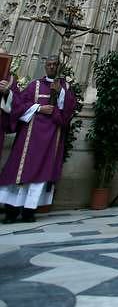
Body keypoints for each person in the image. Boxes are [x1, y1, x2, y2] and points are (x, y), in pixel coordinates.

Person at [0, 56, 76, 223]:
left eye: (54, 65)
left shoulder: (65, 87)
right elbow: (18, 104)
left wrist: (60, 92)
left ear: (58, 66)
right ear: (44, 66)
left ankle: (29, 211)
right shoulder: (34, 85)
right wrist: (39, 108)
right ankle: (11, 211)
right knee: (18, 171)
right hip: (29, 136)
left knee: (40, 175)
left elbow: (68, 111)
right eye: (48, 64)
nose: (51, 67)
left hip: (50, 138)